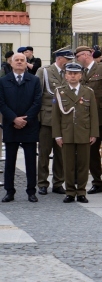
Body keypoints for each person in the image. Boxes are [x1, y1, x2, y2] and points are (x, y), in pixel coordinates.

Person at [52, 62, 99, 204]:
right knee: (68, 164)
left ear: (80, 75)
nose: (72, 76)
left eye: (75, 73)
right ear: (65, 76)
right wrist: (57, 135)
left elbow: (93, 115)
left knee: (83, 164)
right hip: (66, 133)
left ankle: (82, 192)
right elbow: (56, 116)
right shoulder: (59, 92)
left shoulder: (88, 92)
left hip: (84, 132)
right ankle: (70, 192)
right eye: (70, 73)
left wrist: (94, 133)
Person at [75, 45, 102, 195]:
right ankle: (97, 182)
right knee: (91, 154)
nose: (77, 59)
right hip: (87, 120)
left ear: (86, 55)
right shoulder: (80, 72)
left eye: (78, 56)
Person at [0, 52, 41, 203]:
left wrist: (25, 119)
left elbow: (37, 102)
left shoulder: (34, 80)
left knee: (31, 161)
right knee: (10, 161)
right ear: (11, 63)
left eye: (22, 60)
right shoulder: (3, 81)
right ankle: (9, 191)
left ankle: (31, 191)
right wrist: (14, 119)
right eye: (16, 60)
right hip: (11, 126)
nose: (19, 62)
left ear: (26, 63)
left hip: (29, 126)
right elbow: (1, 103)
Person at [35, 48, 75, 196]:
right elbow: (37, 95)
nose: (70, 62)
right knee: (44, 153)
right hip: (47, 118)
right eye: (67, 59)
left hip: (64, 119)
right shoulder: (44, 71)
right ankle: (42, 183)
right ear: (59, 58)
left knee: (61, 154)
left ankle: (58, 182)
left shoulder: (69, 72)